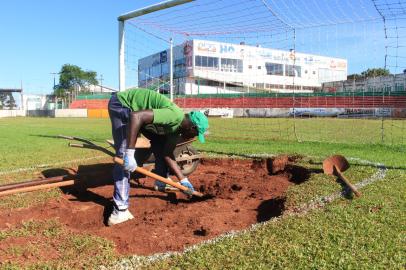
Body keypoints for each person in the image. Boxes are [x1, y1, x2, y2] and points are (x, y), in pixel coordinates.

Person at [107, 88, 209, 226]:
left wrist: (183, 179)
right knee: (123, 154)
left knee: (161, 143)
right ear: (191, 127)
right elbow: (136, 116)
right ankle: (119, 211)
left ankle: (161, 181)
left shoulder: (175, 131)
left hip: (139, 113)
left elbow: (168, 153)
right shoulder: (175, 116)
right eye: (196, 134)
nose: (194, 137)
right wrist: (130, 153)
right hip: (124, 104)